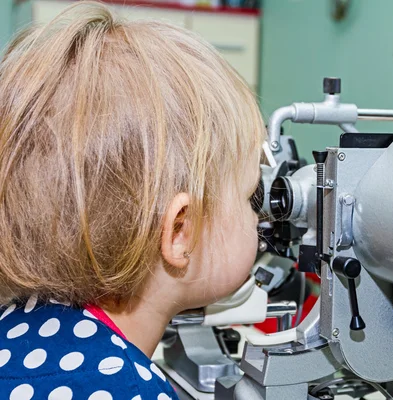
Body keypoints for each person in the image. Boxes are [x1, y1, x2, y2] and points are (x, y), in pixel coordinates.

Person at [0, 2, 264, 399]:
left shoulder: (15, 329)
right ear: (179, 231)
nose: (259, 217)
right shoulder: (129, 389)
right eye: (250, 197)